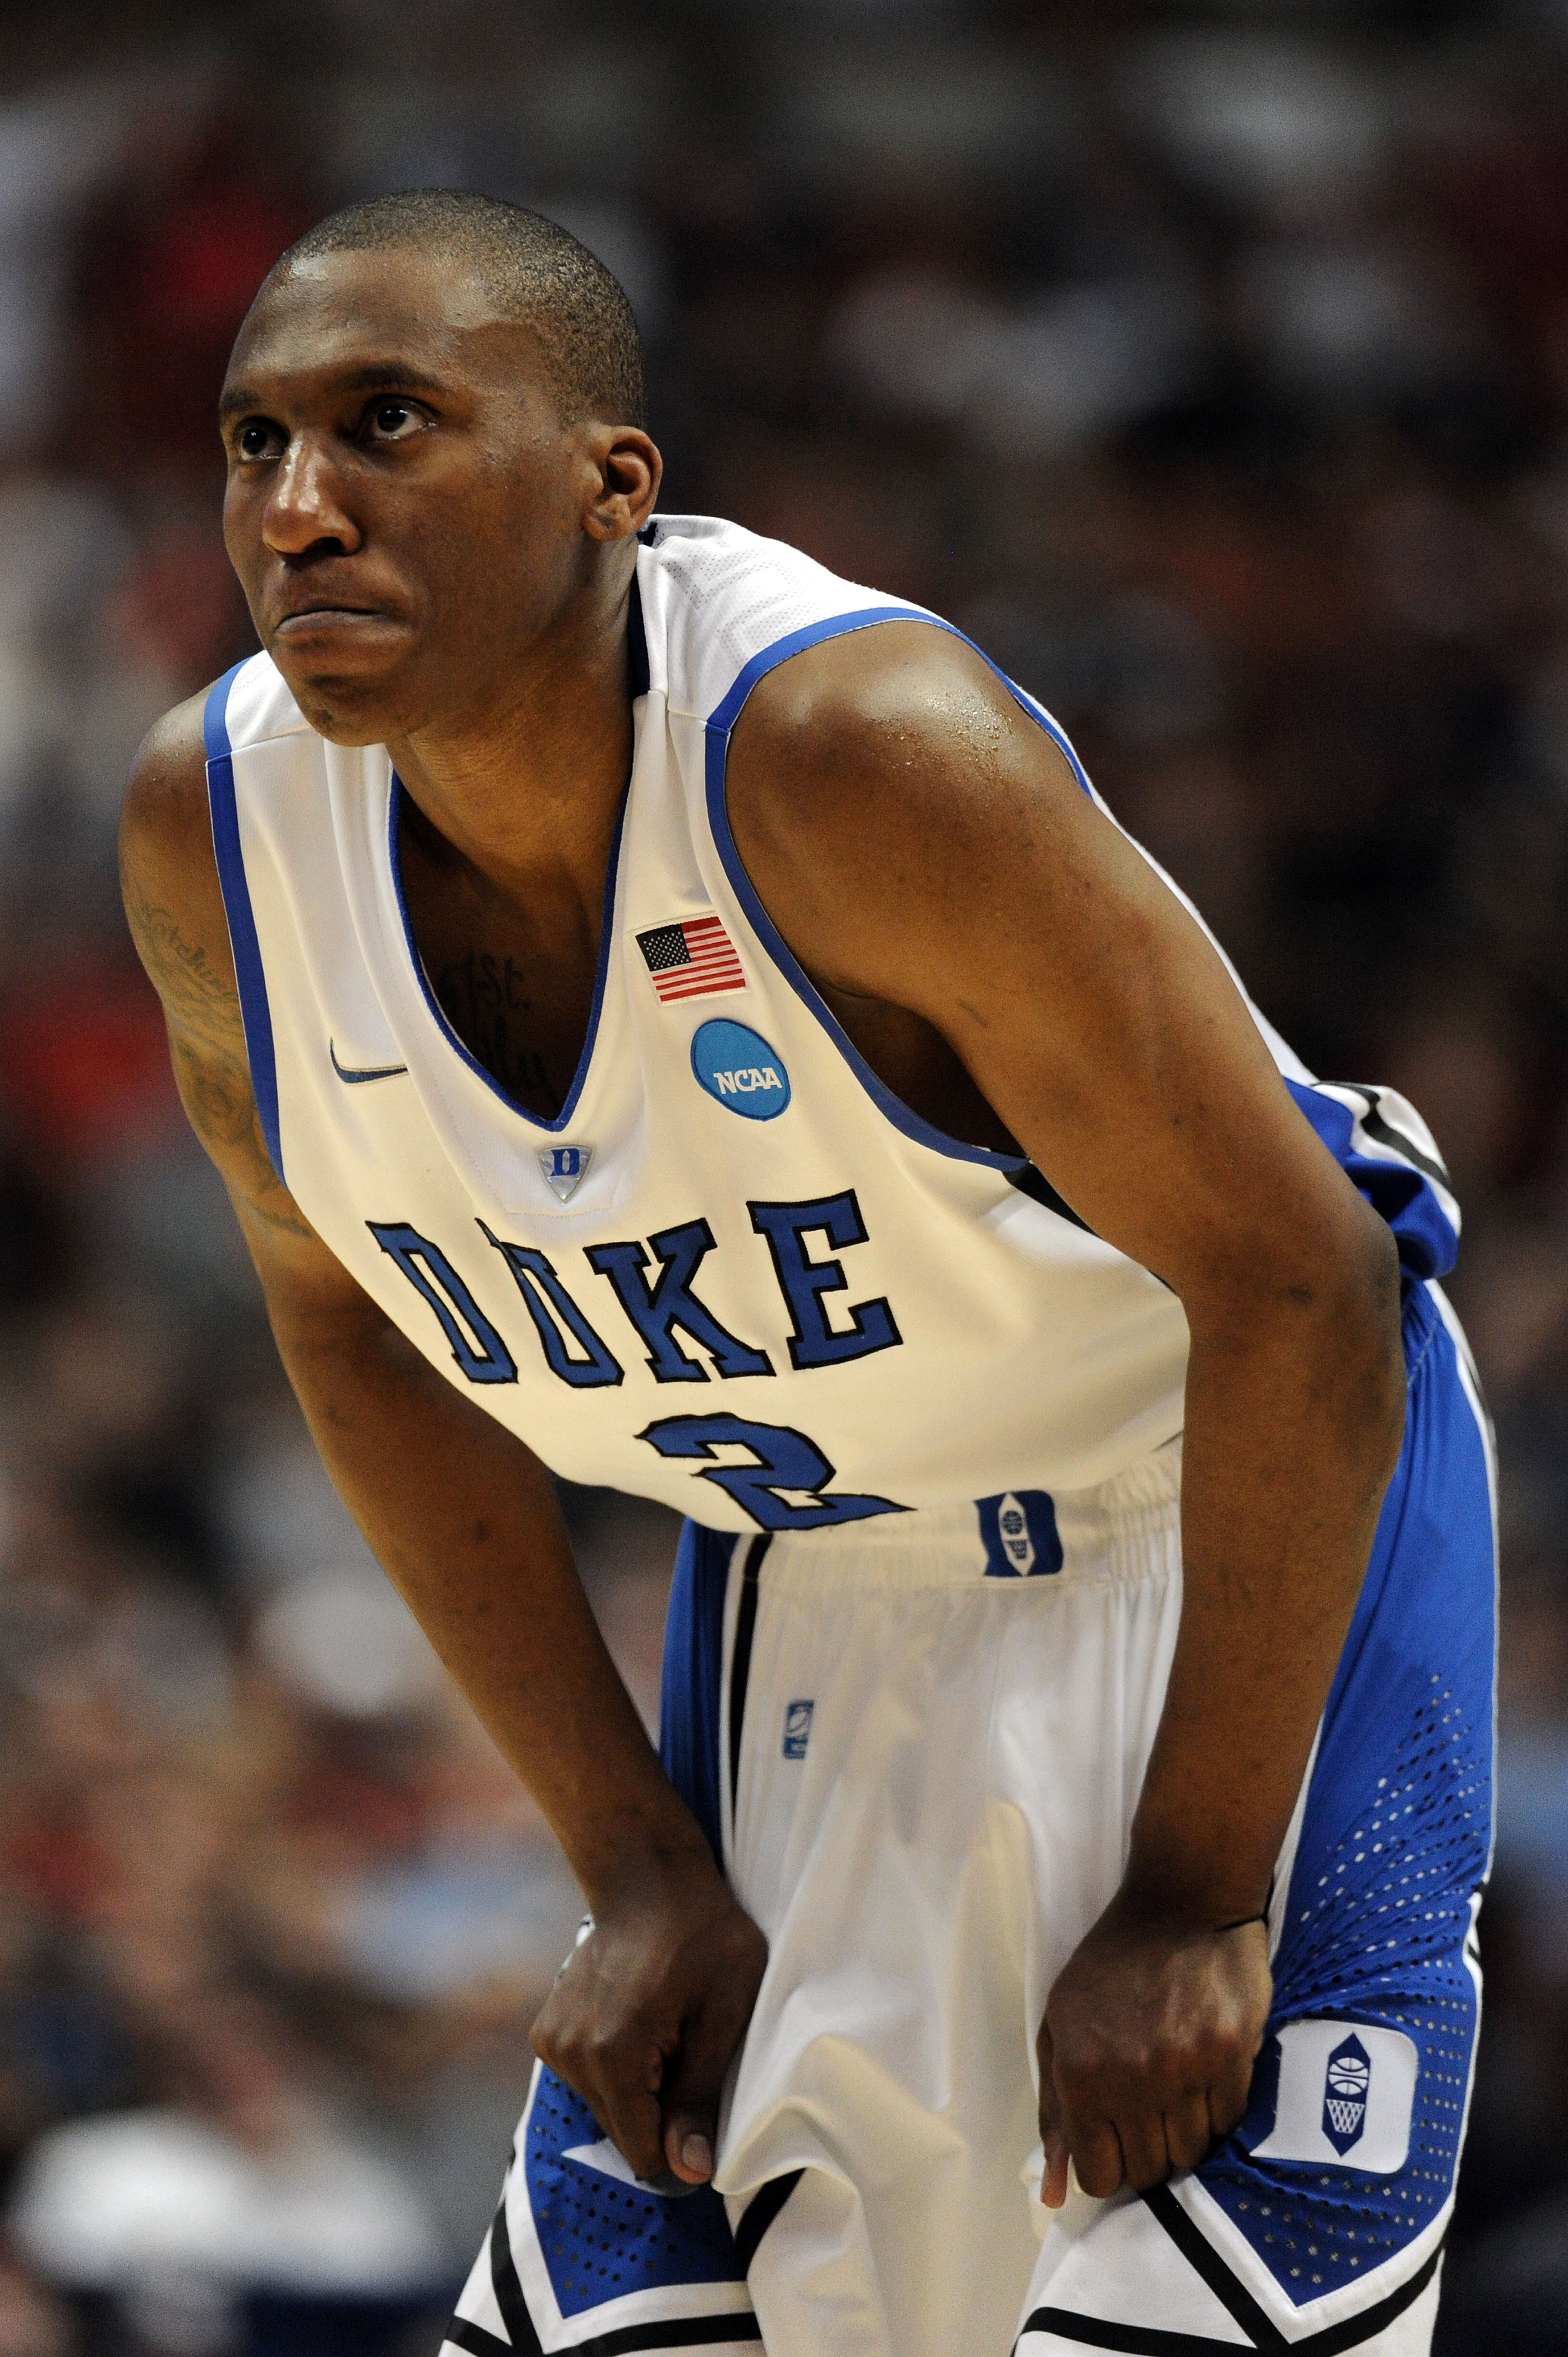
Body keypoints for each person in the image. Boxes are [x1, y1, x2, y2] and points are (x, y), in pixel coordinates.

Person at [119, 192, 1495, 2357]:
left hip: (1218, 1521)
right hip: (815, 1561)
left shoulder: (853, 747)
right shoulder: (215, 829)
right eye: (251, 441)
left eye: (385, 423)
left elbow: (1307, 1289)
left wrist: (1200, 1884)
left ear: (611, 486)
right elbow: (346, 1314)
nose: (299, 507)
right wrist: (633, 1858)